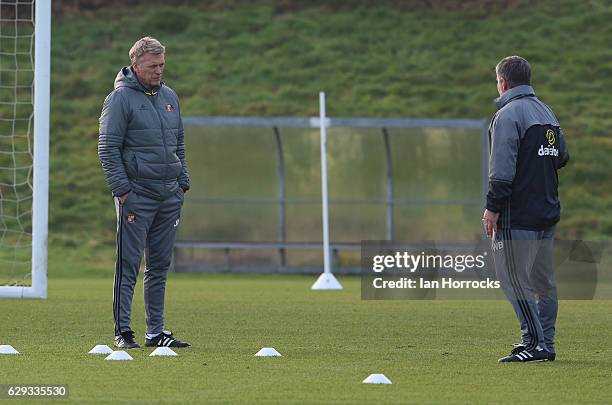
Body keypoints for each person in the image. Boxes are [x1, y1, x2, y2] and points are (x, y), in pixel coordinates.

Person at [98, 37, 191, 349]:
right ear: (136, 66)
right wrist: (123, 191)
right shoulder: (119, 99)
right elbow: (107, 149)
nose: (159, 71)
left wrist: (182, 182)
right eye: (153, 66)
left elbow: (179, 142)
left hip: (169, 196)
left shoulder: (170, 97)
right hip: (137, 196)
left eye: (162, 64)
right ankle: (123, 332)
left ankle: (156, 332)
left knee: (160, 266)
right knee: (128, 265)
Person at [482, 56, 569, 362]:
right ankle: (546, 343)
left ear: (502, 82)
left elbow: (502, 171)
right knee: (542, 282)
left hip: (517, 214)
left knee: (513, 279)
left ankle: (533, 344)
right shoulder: (547, 113)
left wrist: (492, 208)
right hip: (546, 211)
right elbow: (561, 156)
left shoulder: (507, 116)